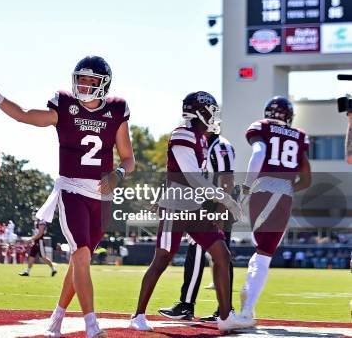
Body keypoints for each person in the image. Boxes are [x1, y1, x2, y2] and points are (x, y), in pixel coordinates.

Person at [0, 55, 135, 338]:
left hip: (101, 197)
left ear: (104, 84)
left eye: (91, 80)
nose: (85, 86)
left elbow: (128, 159)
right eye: (81, 79)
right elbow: (26, 115)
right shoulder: (65, 104)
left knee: (78, 262)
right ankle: (91, 326)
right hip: (72, 188)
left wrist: (118, 175)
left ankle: (56, 318)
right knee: (83, 255)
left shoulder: (117, 109)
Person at [130, 92, 251, 333]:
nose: (214, 116)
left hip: (194, 206)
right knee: (162, 257)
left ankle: (225, 316)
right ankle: (138, 315)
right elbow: (193, 178)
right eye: (211, 110)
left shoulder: (202, 138)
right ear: (199, 111)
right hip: (177, 205)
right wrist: (227, 199)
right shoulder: (182, 134)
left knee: (222, 254)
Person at [238, 96, 312, 324]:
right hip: (283, 191)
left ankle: (247, 306)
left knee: (262, 250)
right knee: (264, 253)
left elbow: (259, 153)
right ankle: (246, 310)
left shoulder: (262, 126)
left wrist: (248, 186)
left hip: (263, 187)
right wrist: (286, 187)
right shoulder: (299, 135)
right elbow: (307, 178)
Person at [158, 121, 236, 322]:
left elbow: (227, 180)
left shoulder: (220, 145)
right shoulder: (198, 143)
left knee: (215, 253)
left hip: (216, 204)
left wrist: (220, 210)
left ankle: (198, 306)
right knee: (207, 253)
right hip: (203, 202)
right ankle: (214, 308)